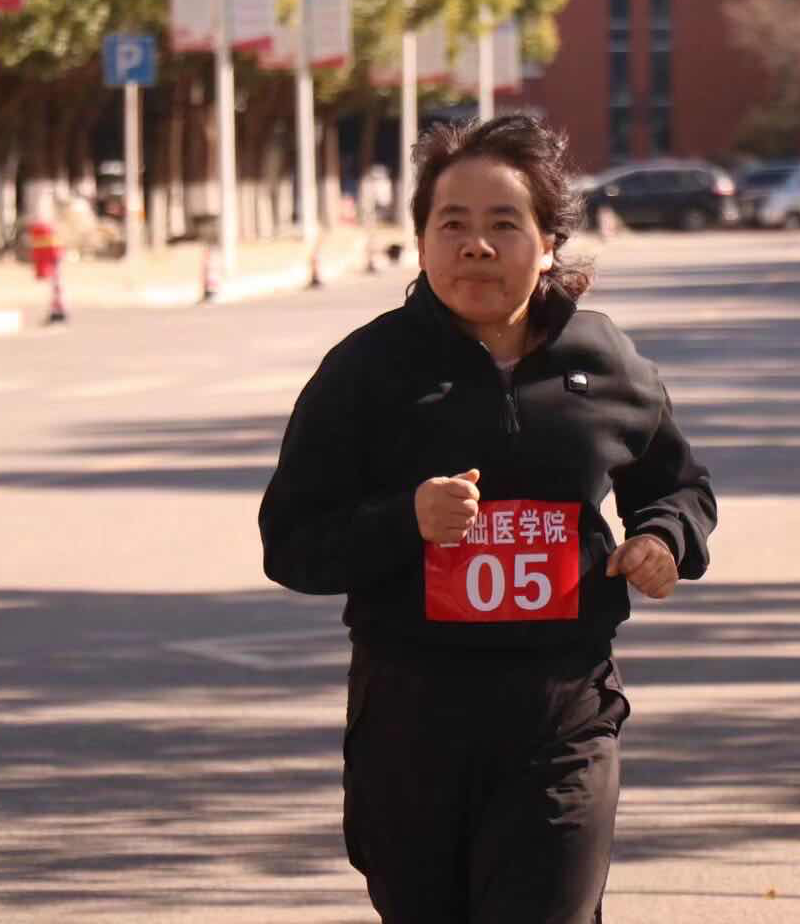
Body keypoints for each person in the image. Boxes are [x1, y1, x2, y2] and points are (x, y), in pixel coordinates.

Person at [259, 114, 717, 924]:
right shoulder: (366, 372)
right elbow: (292, 541)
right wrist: (407, 520)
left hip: (562, 712)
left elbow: (679, 488)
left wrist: (661, 539)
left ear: (548, 244)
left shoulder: (605, 362)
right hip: (410, 719)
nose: (476, 246)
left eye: (504, 224)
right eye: (453, 225)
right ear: (421, 243)